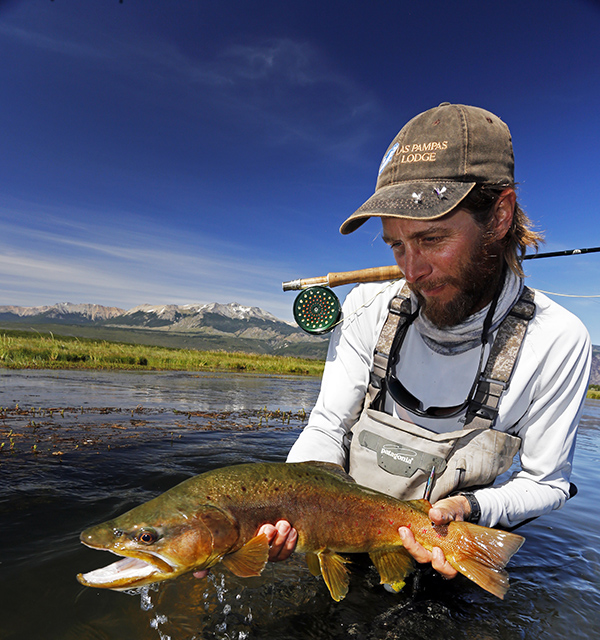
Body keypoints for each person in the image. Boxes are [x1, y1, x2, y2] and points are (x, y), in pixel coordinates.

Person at [198, 102, 592, 584]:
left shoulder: (558, 339)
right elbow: (327, 426)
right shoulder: (367, 309)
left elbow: (546, 483)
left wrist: (472, 507)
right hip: (339, 541)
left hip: (450, 554)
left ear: (501, 214)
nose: (412, 270)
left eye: (431, 240)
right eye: (396, 245)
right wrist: (292, 508)